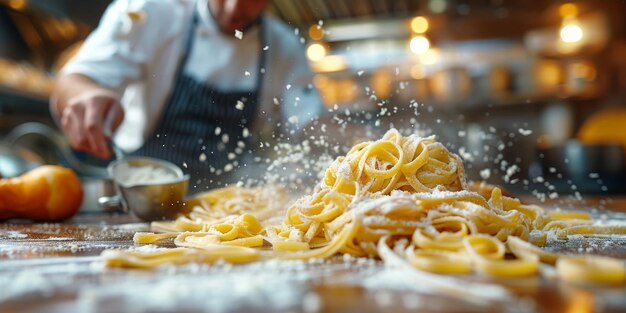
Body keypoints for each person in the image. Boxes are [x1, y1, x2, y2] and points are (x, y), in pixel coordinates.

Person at [51, 0, 323, 189]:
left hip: (234, 201)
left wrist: (357, 147)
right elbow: (73, 79)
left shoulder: (284, 48)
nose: (233, 7)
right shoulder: (150, 12)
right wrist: (86, 94)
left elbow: (311, 124)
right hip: (144, 195)